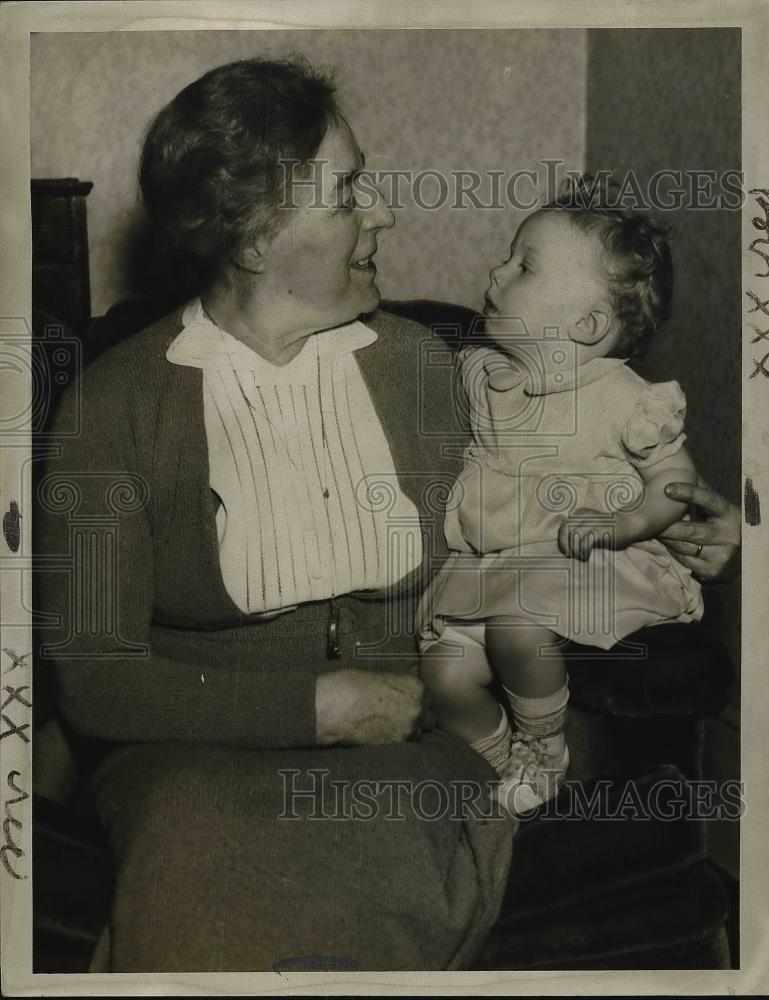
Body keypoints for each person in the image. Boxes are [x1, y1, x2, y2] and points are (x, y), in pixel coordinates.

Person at [36, 58, 740, 972]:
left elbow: (559, 481)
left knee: (384, 849)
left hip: (425, 730)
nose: (384, 213)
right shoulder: (109, 408)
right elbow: (94, 678)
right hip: (192, 754)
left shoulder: (428, 368)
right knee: (200, 857)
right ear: (256, 237)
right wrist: (311, 707)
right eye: (347, 193)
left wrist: (687, 523)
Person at [418, 185, 708, 816]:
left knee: (520, 623)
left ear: (587, 325)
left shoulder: (622, 395)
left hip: (588, 554)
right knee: (441, 672)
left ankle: (543, 745)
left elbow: (674, 482)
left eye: (525, 265)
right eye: (507, 257)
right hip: (499, 555)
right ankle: (503, 762)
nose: (497, 271)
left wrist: (624, 520)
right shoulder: (486, 375)